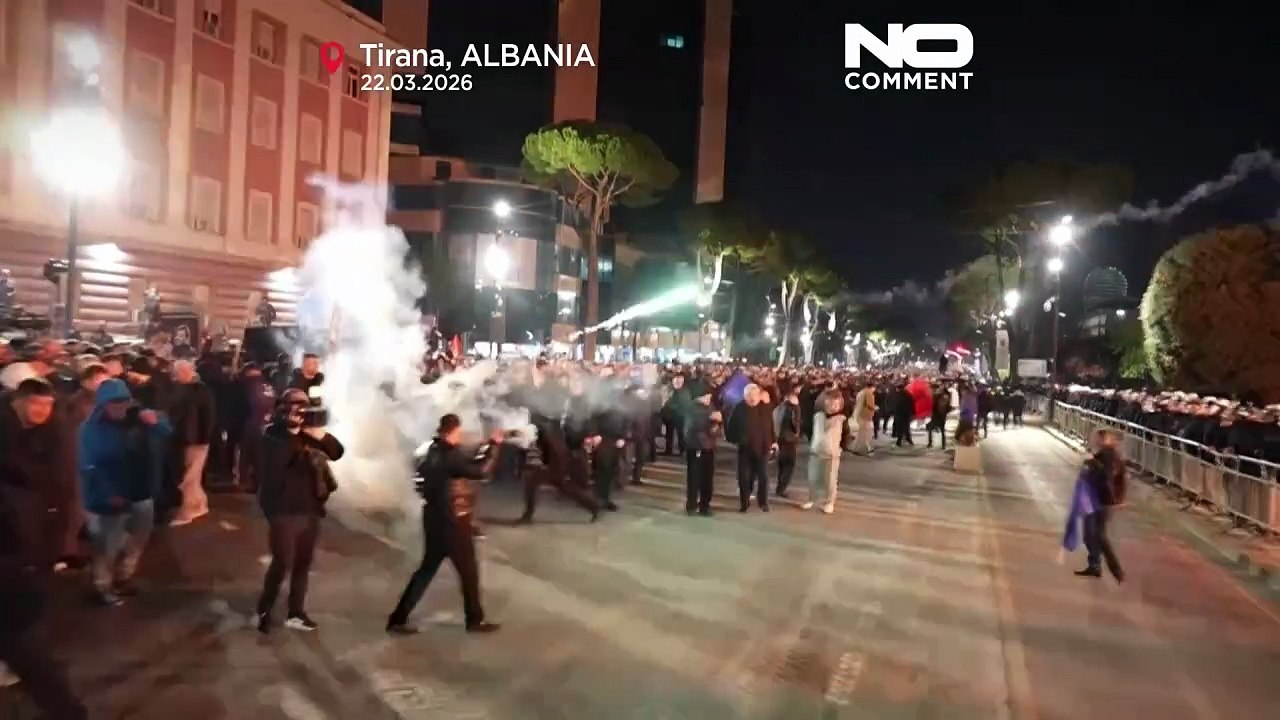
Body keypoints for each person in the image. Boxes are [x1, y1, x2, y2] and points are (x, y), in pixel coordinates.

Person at [1, 391, 89, 717]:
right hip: (23, 559)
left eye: (47, 404)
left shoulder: (48, 442)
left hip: (20, 561)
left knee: (23, 647)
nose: (42, 410)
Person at [386, 414, 501, 635]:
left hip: (433, 518)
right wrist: (494, 446)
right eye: (459, 432)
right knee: (469, 573)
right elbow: (480, 471)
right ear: (453, 431)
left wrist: (487, 447)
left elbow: (467, 464)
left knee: (426, 571)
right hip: (453, 522)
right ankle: (475, 620)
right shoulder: (450, 456)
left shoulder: (430, 450)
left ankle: (397, 618)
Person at [255, 388, 344, 633]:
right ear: (283, 408)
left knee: (303, 563)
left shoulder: (311, 435)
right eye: (294, 406)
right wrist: (297, 436)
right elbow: (276, 469)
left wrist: (320, 435)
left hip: (310, 509)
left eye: (304, 407)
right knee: (282, 561)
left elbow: (337, 453)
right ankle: (265, 608)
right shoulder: (272, 436)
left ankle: (296, 612)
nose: (299, 412)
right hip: (283, 511)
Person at [79, 378, 171, 606]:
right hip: (111, 499)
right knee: (107, 545)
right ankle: (103, 585)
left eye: (123, 402)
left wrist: (154, 423)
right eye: (113, 403)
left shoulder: (139, 419)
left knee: (138, 540)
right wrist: (108, 493)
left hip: (141, 492)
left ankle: (123, 577)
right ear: (102, 405)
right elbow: (88, 466)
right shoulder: (90, 429)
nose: (119, 407)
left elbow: (167, 433)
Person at [1062, 436, 1126, 582]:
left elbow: (1106, 476)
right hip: (1099, 499)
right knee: (1093, 534)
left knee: (1097, 535)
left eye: (1103, 438)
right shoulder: (1109, 456)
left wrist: (1092, 462)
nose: (1099, 441)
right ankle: (1095, 564)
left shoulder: (1108, 456)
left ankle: (1115, 569)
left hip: (1100, 500)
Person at [167, 359, 215, 526]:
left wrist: (205, 439)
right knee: (192, 476)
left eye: (179, 372)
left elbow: (208, 417)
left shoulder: (200, 391)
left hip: (195, 439)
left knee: (189, 477)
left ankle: (187, 512)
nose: (177, 375)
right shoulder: (184, 389)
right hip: (185, 438)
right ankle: (200, 505)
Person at [727, 384, 777, 512]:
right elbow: (730, 429)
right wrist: (737, 440)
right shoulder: (738, 409)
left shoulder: (765, 408)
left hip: (762, 449)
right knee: (744, 477)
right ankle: (744, 502)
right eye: (749, 395)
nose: (752, 398)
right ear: (744, 396)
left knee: (763, 477)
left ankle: (763, 502)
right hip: (745, 449)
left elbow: (770, 426)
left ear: (759, 396)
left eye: (754, 395)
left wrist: (773, 441)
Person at [804, 389, 846, 514]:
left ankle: (829, 502)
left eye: (836, 404)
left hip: (831, 455)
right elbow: (812, 432)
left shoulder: (841, 419)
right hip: (815, 452)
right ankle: (812, 499)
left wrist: (838, 449)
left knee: (830, 481)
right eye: (830, 403)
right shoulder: (817, 416)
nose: (832, 406)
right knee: (812, 478)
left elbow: (845, 437)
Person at [683, 385, 722, 516]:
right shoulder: (691, 408)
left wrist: (716, 425)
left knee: (707, 478)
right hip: (696, 447)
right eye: (707, 395)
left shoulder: (710, 407)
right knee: (694, 477)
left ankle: (705, 505)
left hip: (709, 447)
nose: (709, 398)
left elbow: (713, 427)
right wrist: (710, 419)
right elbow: (691, 427)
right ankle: (692, 505)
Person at [774, 384, 802, 497]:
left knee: (781, 464)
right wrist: (797, 432)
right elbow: (795, 425)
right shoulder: (793, 409)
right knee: (789, 465)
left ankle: (779, 487)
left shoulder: (778, 408)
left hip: (779, 438)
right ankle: (781, 488)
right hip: (789, 439)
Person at [850, 379, 877, 455]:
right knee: (867, 432)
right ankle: (868, 448)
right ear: (872, 387)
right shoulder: (869, 393)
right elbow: (870, 405)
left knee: (862, 432)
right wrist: (875, 408)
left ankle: (856, 448)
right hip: (865, 415)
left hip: (859, 414)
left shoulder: (860, 392)